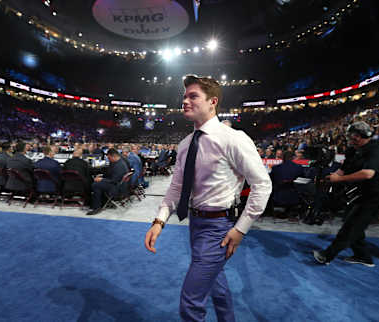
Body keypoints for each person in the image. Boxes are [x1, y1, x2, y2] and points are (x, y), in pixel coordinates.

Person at [144, 75, 272, 321]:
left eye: (193, 96)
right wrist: (159, 221)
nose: (185, 101)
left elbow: (262, 185)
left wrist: (241, 228)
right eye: (184, 96)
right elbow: (176, 188)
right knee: (217, 286)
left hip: (220, 228)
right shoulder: (184, 145)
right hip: (196, 224)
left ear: (213, 101)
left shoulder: (233, 138)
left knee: (190, 304)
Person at [313, 121, 379, 267]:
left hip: (378, 193)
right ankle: (362, 256)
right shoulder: (353, 150)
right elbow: (343, 170)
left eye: (353, 136)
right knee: (353, 222)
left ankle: (327, 255)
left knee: (352, 225)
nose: (350, 139)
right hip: (363, 191)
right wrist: (329, 178)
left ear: (359, 136)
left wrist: (339, 179)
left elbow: (368, 173)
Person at [87, 148, 130, 215]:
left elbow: (114, 180)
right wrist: (102, 176)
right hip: (119, 185)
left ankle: (96, 207)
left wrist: (102, 179)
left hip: (117, 188)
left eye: (109, 158)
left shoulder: (119, 166)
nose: (108, 160)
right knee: (98, 183)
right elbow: (110, 175)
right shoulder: (119, 162)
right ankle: (100, 202)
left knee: (96, 185)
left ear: (114, 156)